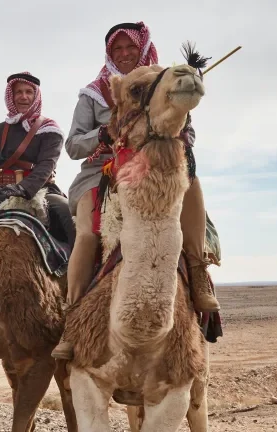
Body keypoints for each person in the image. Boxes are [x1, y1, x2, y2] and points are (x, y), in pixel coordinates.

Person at [52, 22, 219, 361]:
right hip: (102, 171)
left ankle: (197, 271)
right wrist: (105, 134)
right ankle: (72, 318)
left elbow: (188, 129)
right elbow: (72, 146)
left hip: (153, 166)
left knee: (191, 182)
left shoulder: (163, 83)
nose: (125, 55)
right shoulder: (93, 94)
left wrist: (169, 140)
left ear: (142, 48)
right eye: (118, 50)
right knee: (87, 232)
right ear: (109, 54)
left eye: (131, 48)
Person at [0, 72, 74, 246]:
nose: (23, 97)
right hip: (0, 194)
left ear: (36, 96)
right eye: (18, 92)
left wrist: (22, 189)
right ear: (11, 96)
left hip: (41, 192)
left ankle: (85, 270)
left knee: (68, 214)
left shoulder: (50, 130)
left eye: (28, 92)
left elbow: (46, 166)